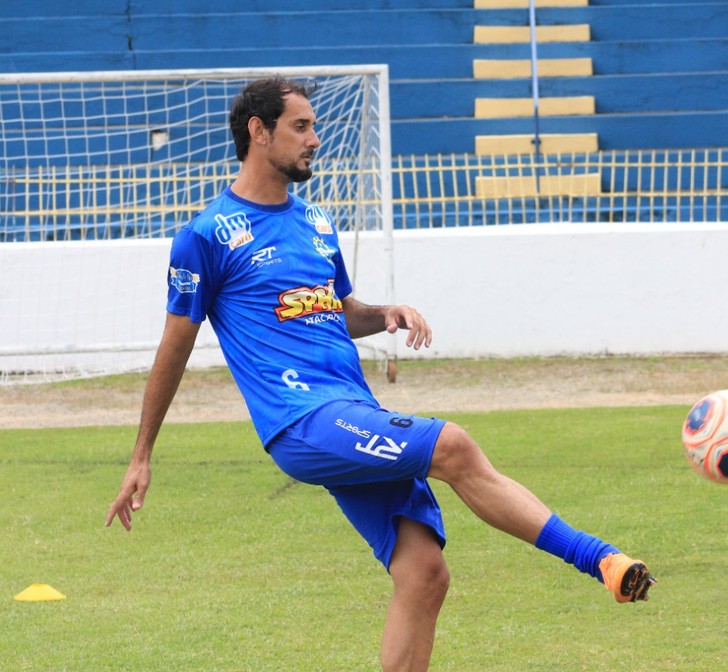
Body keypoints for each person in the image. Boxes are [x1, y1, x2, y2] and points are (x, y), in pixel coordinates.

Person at [105, 75, 655, 672]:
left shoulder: (315, 222)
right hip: (302, 422)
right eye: (301, 126)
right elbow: (174, 344)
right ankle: (598, 559)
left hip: (351, 412)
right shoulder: (206, 237)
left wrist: (382, 314)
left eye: (315, 125)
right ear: (258, 133)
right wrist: (141, 455)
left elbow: (335, 312)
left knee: (424, 573)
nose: (316, 138)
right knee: (453, 445)